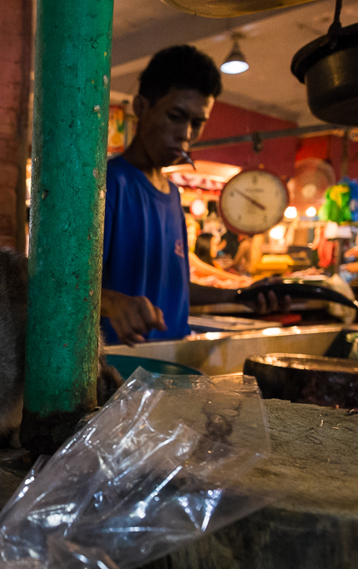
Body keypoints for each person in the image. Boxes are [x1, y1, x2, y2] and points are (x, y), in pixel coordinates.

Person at [100, 45, 279, 345]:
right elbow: (59, 286)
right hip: (119, 374)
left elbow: (177, 288)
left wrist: (241, 295)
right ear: (141, 107)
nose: (186, 134)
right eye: (176, 116)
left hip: (171, 369)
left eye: (198, 123)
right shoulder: (109, 185)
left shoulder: (172, 195)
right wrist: (114, 303)